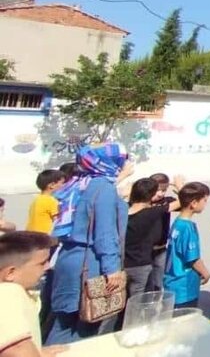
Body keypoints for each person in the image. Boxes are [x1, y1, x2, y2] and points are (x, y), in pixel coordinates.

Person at [47, 144, 131, 344]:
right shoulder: (104, 188)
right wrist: (112, 269)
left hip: (68, 258)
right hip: (90, 263)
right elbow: (105, 232)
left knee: (62, 324)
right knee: (85, 327)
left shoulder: (79, 183)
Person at [0, 231, 64, 357]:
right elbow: (17, 350)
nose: (48, 266)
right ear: (10, 273)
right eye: (42, 263)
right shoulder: (8, 292)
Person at [124, 178, 181, 298]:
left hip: (123, 264)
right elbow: (184, 201)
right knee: (139, 299)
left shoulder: (123, 210)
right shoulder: (150, 213)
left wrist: (125, 193)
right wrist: (180, 186)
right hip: (141, 265)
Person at [163, 182, 210, 310]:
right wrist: (205, 273)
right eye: (204, 200)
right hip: (184, 285)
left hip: (172, 281)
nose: (205, 204)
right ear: (194, 203)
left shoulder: (177, 223)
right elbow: (193, 258)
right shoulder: (187, 228)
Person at [26, 170, 64, 234]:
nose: (63, 186)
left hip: (30, 234)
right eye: (62, 183)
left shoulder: (37, 199)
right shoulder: (51, 201)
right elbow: (57, 221)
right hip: (43, 236)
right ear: (52, 185)